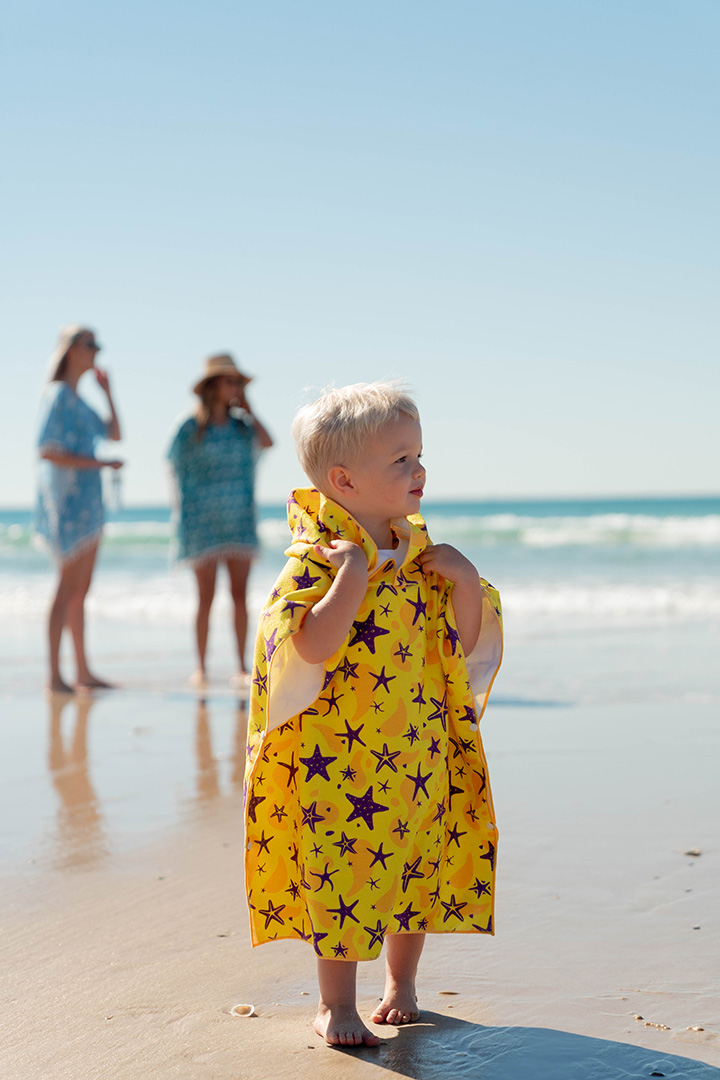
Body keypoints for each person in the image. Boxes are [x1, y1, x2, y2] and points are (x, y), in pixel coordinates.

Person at [243, 382, 503, 1047]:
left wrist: (466, 581)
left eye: (418, 456)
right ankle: (336, 1003)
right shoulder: (318, 561)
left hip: (417, 748)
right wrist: (352, 576)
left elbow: (463, 645)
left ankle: (403, 983)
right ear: (343, 479)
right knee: (343, 869)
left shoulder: (421, 560)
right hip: (337, 762)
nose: (419, 472)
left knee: (413, 863)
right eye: (401, 460)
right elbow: (302, 646)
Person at [167, 354, 273, 687]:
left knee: (240, 595)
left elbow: (268, 442)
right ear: (213, 386)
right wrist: (182, 516)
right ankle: (201, 667)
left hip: (239, 518)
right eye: (231, 381)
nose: (236, 387)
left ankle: (241, 665)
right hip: (202, 522)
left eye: (239, 382)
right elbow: (174, 469)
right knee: (206, 597)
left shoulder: (244, 427)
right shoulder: (190, 428)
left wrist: (250, 408)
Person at [35, 325, 123, 693]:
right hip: (68, 503)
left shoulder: (82, 402)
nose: (96, 351)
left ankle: (82, 671)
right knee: (66, 586)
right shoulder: (56, 396)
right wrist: (99, 466)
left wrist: (108, 392)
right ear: (71, 349)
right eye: (90, 344)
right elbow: (46, 450)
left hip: (89, 503)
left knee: (80, 589)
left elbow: (115, 433)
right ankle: (55, 675)